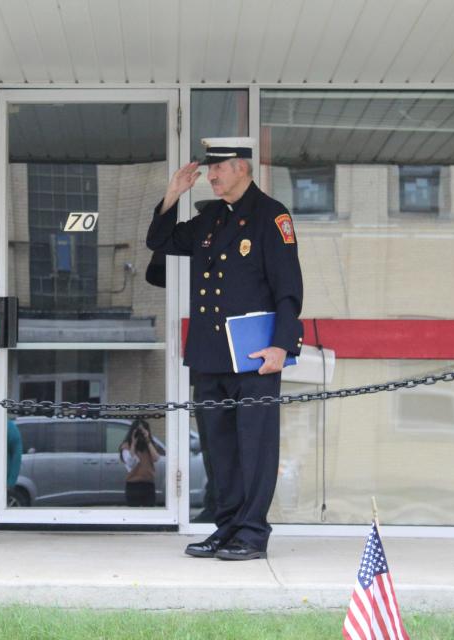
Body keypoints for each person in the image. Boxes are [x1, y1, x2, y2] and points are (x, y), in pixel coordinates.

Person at [146, 137, 303, 561]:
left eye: (218, 168)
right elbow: (159, 242)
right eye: (209, 169)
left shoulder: (272, 217)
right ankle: (228, 526)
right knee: (219, 449)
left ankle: (252, 532)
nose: (210, 176)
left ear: (241, 168)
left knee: (254, 447)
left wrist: (281, 347)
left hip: (254, 357)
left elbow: (289, 289)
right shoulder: (211, 218)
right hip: (211, 355)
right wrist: (173, 194)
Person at [119, 419, 161, 507]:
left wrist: (148, 440)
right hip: (133, 484)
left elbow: (156, 458)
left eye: (142, 431)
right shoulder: (127, 446)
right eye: (138, 431)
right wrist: (133, 444)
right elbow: (130, 463)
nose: (140, 434)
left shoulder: (149, 445)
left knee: (148, 513)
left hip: (148, 484)